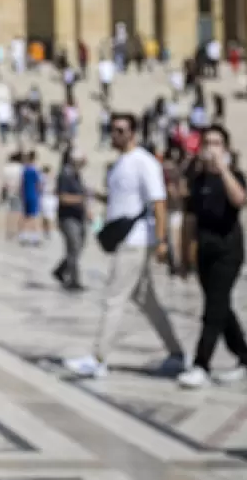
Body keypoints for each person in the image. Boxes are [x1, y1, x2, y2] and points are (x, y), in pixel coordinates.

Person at [64, 113, 186, 379]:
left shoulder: (144, 162)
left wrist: (163, 241)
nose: (115, 135)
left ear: (133, 133)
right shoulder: (119, 164)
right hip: (124, 238)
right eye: (112, 129)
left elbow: (159, 202)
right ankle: (176, 353)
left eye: (120, 130)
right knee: (147, 301)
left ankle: (98, 358)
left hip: (137, 240)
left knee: (113, 298)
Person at [177, 125, 247, 389]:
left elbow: (240, 200)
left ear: (225, 148)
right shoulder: (196, 180)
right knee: (221, 308)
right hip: (205, 250)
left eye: (217, 143)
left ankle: (201, 364)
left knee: (213, 309)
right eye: (207, 143)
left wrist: (223, 169)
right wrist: (183, 256)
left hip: (228, 251)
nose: (211, 148)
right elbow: (189, 220)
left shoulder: (233, 175)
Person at [52, 148, 89, 292]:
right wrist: (80, 199)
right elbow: (62, 197)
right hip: (68, 218)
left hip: (79, 217)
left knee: (79, 246)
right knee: (73, 247)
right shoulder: (64, 175)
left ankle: (61, 269)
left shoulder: (76, 175)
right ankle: (73, 280)